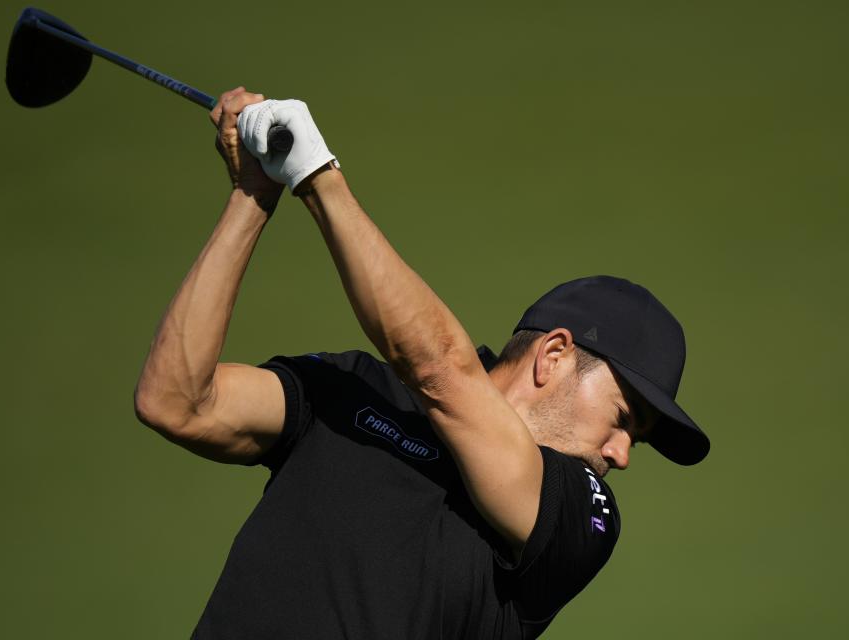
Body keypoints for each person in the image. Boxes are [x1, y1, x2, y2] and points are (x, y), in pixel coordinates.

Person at [133, 88, 710, 639]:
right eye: (624, 417)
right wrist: (253, 192)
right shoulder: (356, 390)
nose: (621, 454)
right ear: (553, 356)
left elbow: (439, 372)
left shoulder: (583, 516)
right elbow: (176, 402)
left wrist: (316, 176)